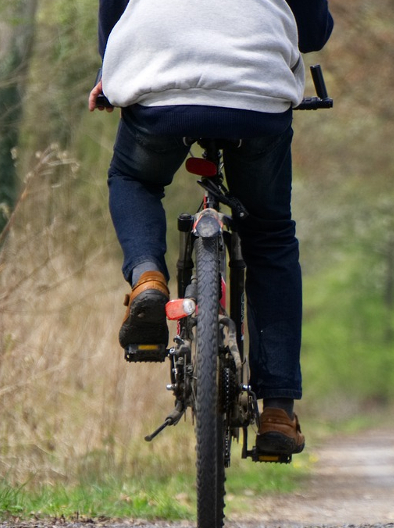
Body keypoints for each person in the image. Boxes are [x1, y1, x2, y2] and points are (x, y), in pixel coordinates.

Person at [89, 0, 333, 456]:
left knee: (134, 179)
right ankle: (278, 412)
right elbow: (313, 32)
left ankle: (147, 277)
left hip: (159, 86)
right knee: (270, 235)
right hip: (254, 97)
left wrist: (110, 71)